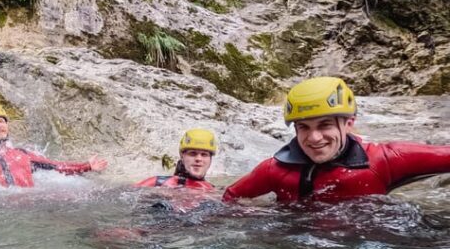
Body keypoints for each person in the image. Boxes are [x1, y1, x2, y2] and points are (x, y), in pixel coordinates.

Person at [223, 77, 450, 203]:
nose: (314, 138)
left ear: (349, 123)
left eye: (325, 125)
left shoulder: (386, 159)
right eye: (303, 127)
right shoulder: (274, 170)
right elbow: (230, 197)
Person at [134, 129, 217, 190]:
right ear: (182, 156)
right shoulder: (156, 183)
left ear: (210, 159)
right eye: (192, 153)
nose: (198, 159)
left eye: (204, 155)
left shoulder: (215, 191)